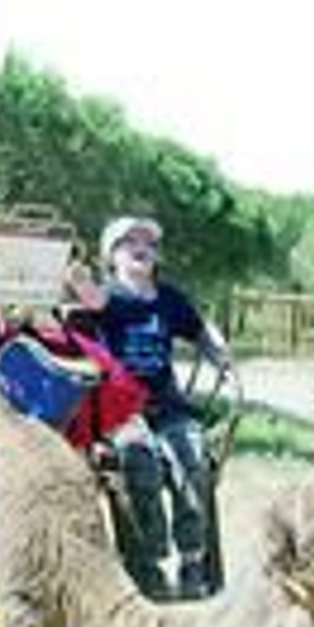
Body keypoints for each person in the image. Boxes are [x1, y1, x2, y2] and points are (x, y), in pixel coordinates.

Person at [67, 216, 233, 600]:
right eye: (130, 242)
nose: (142, 248)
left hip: (168, 405)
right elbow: (89, 299)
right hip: (122, 407)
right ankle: (149, 564)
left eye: (148, 243)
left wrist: (217, 351)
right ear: (113, 256)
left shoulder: (169, 298)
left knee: (190, 458)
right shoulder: (108, 295)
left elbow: (199, 329)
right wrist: (76, 280)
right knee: (140, 459)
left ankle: (193, 559)